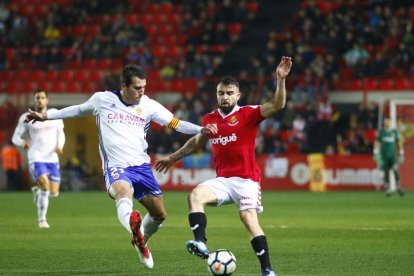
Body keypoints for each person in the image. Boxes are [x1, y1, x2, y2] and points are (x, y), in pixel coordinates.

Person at [25, 64, 217, 269]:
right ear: (123, 86)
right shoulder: (102, 100)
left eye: (144, 87)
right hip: (116, 165)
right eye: (137, 88)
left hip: (142, 167)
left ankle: (140, 240)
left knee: (160, 215)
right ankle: (134, 230)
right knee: (124, 193)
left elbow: (176, 124)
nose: (141, 91)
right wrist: (46, 116)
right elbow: (78, 110)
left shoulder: (149, 105)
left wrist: (201, 129)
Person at [155, 56, 293, 276]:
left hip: (247, 179)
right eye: (221, 93)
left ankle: (267, 270)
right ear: (217, 94)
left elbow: (278, 104)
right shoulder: (209, 119)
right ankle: (200, 242)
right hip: (223, 180)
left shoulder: (248, 113)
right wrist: (172, 158)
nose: (225, 97)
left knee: (248, 218)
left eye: (230, 93)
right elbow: (195, 142)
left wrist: (280, 78)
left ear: (238, 95)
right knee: (195, 196)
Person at [12, 90, 65, 228]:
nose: (40, 100)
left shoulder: (55, 115)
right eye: (37, 98)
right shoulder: (26, 117)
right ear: (34, 100)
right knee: (45, 186)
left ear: (47, 100)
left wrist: (60, 146)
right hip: (36, 157)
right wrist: (23, 143)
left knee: (53, 193)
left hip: (52, 158)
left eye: (42, 97)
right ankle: (42, 220)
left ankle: (37, 190)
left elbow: (61, 134)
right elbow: (15, 137)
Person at [373, 117, 405, 197]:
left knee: (395, 170)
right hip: (384, 157)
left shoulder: (394, 132)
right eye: (385, 121)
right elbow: (377, 142)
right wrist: (376, 153)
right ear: (384, 122)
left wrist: (401, 153)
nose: (387, 122)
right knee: (386, 172)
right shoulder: (381, 132)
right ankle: (388, 188)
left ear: (391, 122)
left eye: (388, 121)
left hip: (393, 156)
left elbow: (399, 142)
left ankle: (398, 187)